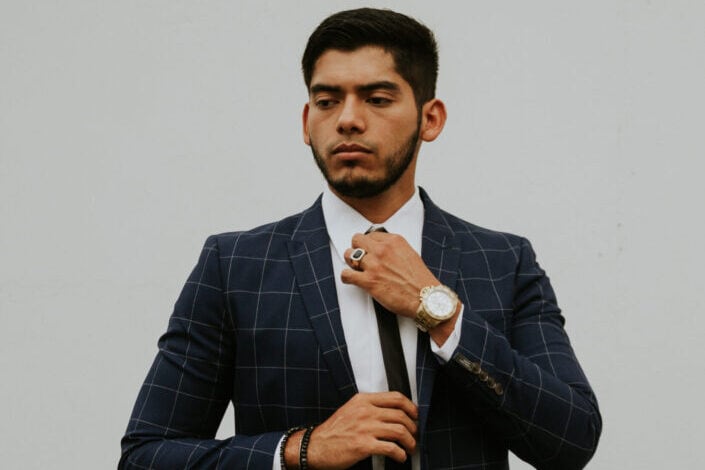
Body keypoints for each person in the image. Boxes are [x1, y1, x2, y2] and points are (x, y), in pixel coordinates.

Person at [119, 7, 601, 470]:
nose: (348, 119)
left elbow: (571, 439)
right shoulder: (235, 266)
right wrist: (300, 449)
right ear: (307, 121)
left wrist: (439, 311)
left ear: (429, 119)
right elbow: (145, 455)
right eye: (327, 101)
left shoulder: (502, 261)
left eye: (377, 98)